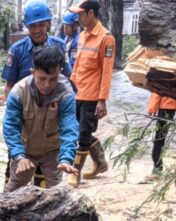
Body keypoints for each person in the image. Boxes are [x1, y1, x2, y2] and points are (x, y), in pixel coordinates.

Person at [1, 0, 71, 189]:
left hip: (51, 115)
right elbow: (9, 85)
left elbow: (68, 80)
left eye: (41, 24)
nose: (37, 29)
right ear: (27, 26)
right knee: (17, 172)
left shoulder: (59, 46)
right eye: (33, 25)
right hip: (26, 114)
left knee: (51, 177)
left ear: (48, 23)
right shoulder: (17, 50)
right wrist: (15, 111)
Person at [3, 47, 79, 191]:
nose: (47, 85)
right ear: (33, 72)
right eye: (42, 79)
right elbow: (10, 126)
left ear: (60, 72)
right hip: (25, 150)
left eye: (53, 79)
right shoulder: (19, 92)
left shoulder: (66, 94)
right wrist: (18, 155)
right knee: (13, 190)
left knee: (56, 193)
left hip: (52, 151)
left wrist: (66, 158)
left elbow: (69, 127)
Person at [67, 0, 115, 187]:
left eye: (80, 14)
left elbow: (107, 71)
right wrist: (70, 84)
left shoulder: (106, 38)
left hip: (92, 96)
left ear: (91, 14)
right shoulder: (83, 35)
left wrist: (102, 100)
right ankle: (100, 162)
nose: (77, 18)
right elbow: (77, 65)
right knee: (78, 130)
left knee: (83, 134)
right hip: (78, 93)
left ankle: (75, 172)